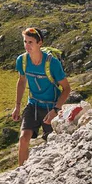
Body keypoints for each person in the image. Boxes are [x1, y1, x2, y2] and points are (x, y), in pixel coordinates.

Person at [12, 27, 71, 165]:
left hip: (51, 107)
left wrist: (55, 110)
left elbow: (67, 88)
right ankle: (21, 172)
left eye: (30, 42)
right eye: (25, 42)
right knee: (23, 139)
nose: (27, 46)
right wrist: (17, 106)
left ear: (40, 43)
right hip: (33, 104)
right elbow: (21, 81)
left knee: (51, 142)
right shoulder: (22, 60)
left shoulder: (52, 63)